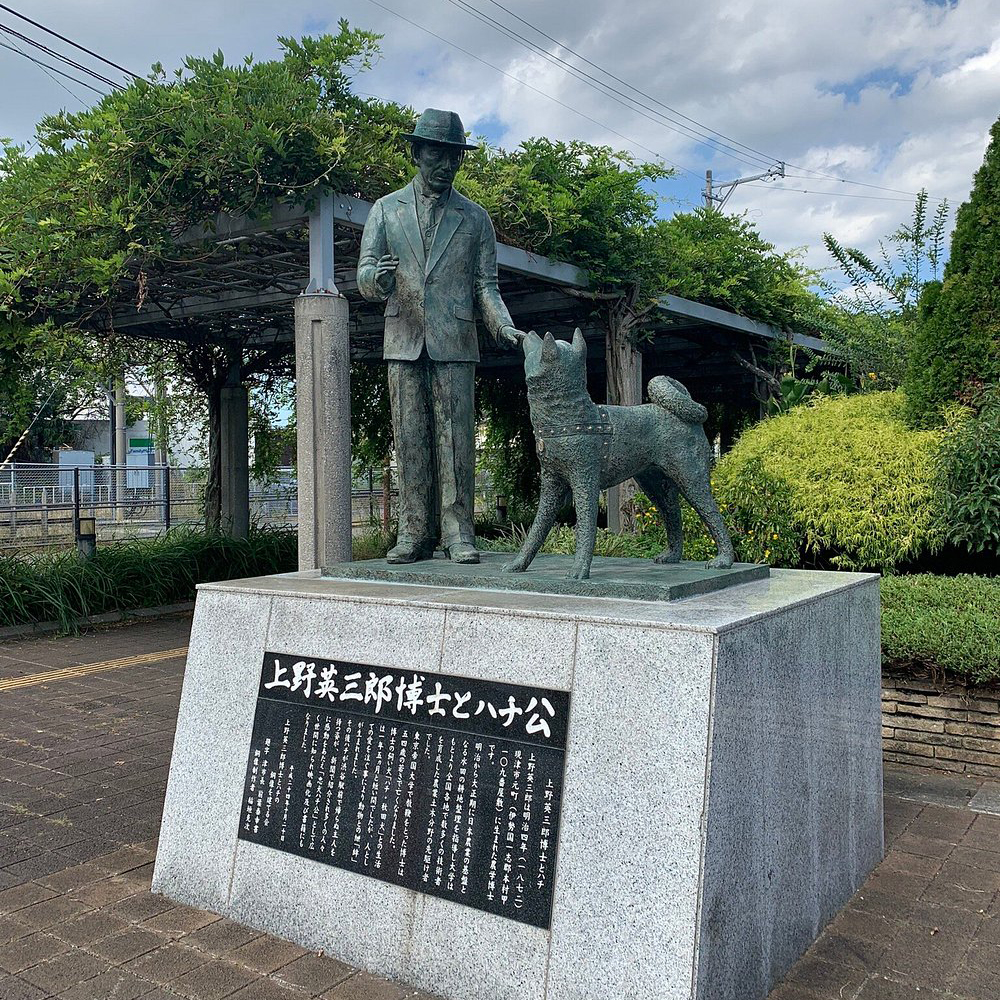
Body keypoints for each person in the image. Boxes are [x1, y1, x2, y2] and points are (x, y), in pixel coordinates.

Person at [358, 108, 522, 564]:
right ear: (416, 152)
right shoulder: (385, 210)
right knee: (409, 438)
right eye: (438, 153)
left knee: (457, 439)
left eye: (454, 155)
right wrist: (380, 281)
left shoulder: (476, 218)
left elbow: (486, 285)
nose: (447, 163)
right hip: (404, 338)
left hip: (456, 339)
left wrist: (503, 325)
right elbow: (364, 272)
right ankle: (413, 532)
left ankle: (458, 532)